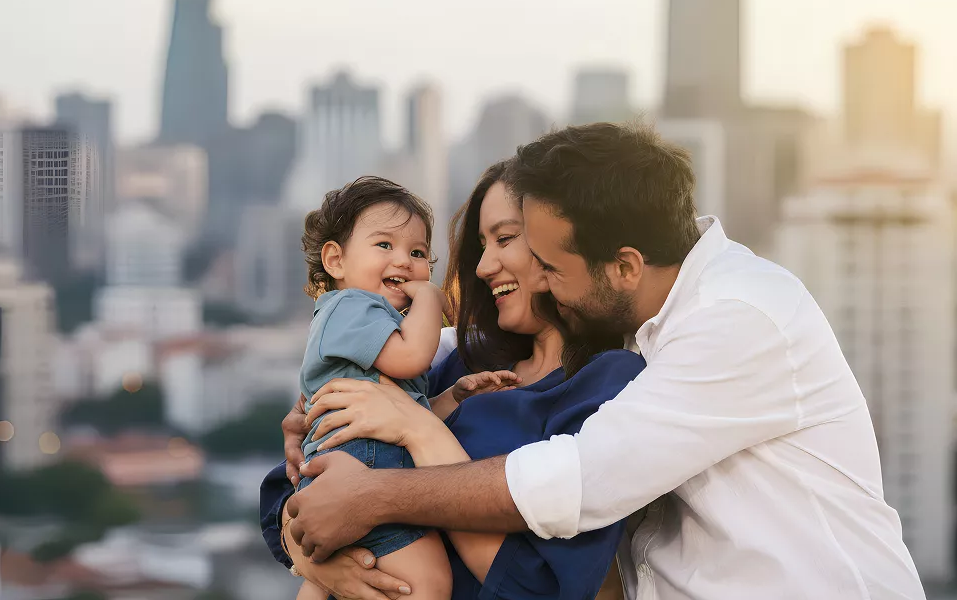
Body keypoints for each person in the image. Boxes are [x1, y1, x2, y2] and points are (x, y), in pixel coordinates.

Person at [285, 123, 926, 600]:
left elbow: (580, 481)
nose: (535, 278)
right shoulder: (631, 322)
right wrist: (317, 538)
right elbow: (302, 471)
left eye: (550, 266)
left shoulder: (735, 318)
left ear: (623, 266)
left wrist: (380, 487)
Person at [261, 161, 644, 600]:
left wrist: (418, 430)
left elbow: (547, 587)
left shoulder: (610, 382)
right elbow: (288, 490)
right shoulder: (460, 362)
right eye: (481, 244)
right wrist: (322, 564)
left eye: (505, 239)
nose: (482, 266)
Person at [286, 176, 453, 600]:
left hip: (353, 462)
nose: (404, 261)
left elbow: (407, 411)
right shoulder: (352, 306)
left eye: (418, 253)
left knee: (325, 578)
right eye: (385, 246)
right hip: (363, 464)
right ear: (335, 261)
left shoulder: (371, 323)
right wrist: (432, 300)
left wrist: (457, 395)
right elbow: (412, 358)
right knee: (428, 583)